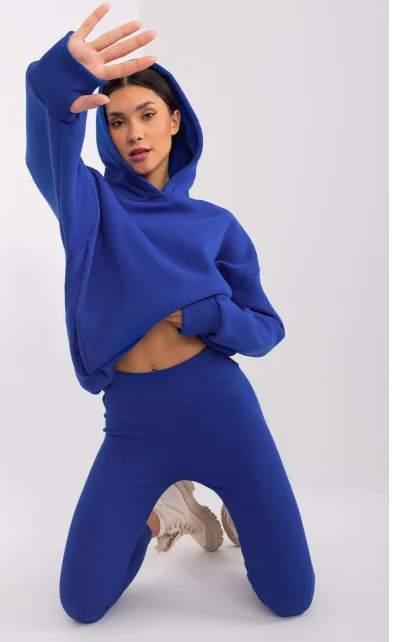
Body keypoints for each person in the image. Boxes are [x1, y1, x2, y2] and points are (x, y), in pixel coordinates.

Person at [25, 3, 315, 624]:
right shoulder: (89, 205)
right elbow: (46, 151)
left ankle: (241, 506)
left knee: (292, 599)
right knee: (81, 604)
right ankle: (169, 510)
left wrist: (206, 315)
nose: (134, 133)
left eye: (148, 115)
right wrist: (59, 81)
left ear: (175, 121)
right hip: (134, 425)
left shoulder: (217, 224)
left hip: (223, 412)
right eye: (118, 120)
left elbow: (266, 329)